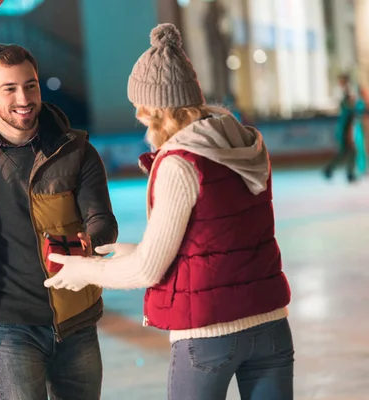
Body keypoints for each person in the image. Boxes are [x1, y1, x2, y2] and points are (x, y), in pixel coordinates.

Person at [44, 24, 293, 400]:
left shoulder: (180, 162)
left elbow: (149, 270)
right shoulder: (242, 147)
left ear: (153, 109)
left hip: (208, 335)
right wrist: (132, 249)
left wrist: (85, 271)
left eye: (139, 110)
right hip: (271, 326)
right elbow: (219, 238)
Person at [0, 44, 118, 400]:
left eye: (30, 85)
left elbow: (102, 219)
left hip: (74, 318)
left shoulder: (76, 151)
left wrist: (90, 242)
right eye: (10, 88)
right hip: (7, 326)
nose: (24, 98)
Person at [323, 73, 357, 182]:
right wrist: (348, 132)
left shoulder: (347, 94)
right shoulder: (346, 95)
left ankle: (345, 172)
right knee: (347, 151)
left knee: (348, 151)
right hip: (344, 128)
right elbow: (349, 114)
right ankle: (333, 170)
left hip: (344, 127)